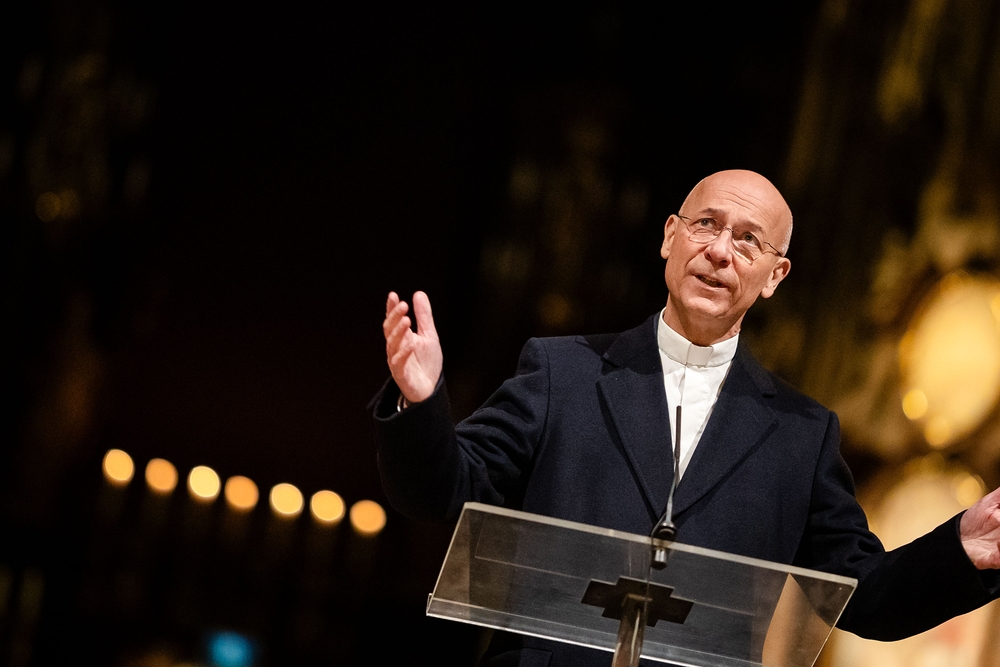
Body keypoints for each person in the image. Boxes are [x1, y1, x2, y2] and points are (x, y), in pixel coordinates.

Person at [372, 170, 1000, 666]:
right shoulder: (562, 373)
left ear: (775, 275)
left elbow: (866, 596)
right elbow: (440, 491)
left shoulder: (802, 436)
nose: (720, 251)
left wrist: (961, 550)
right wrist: (420, 404)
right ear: (670, 238)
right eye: (706, 224)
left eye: (748, 240)